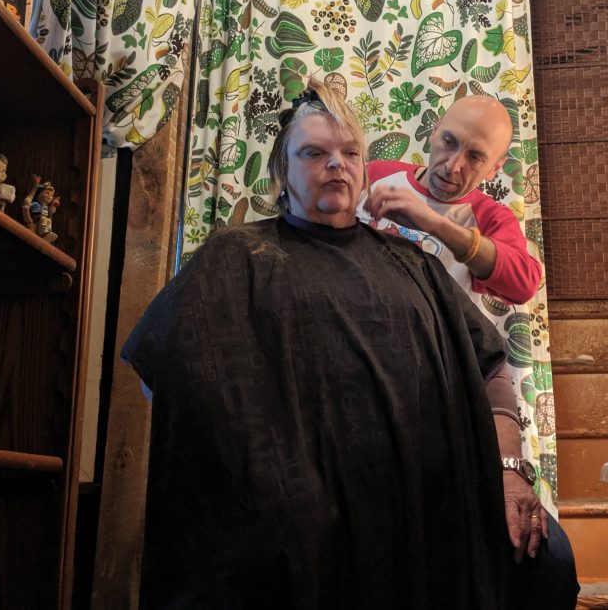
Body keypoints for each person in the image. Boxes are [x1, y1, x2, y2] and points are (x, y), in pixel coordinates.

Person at [122, 82, 519, 608]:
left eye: (349, 152)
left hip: (412, 518)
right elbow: (170, 382)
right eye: (313, 153)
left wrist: (510, 473)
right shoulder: (233, 256)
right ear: (282, 172)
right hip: (280, 529)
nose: (336, 164)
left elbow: (493, 365)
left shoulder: (413, 265)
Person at [363, 95, 579, 607]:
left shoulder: (488, 215)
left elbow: (523, 280)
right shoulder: (375, 175)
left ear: (497, 166)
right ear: (433, 131)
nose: (454, 165)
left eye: (476, 157)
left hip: (437, 396)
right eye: (448, 142)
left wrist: (434, 222)